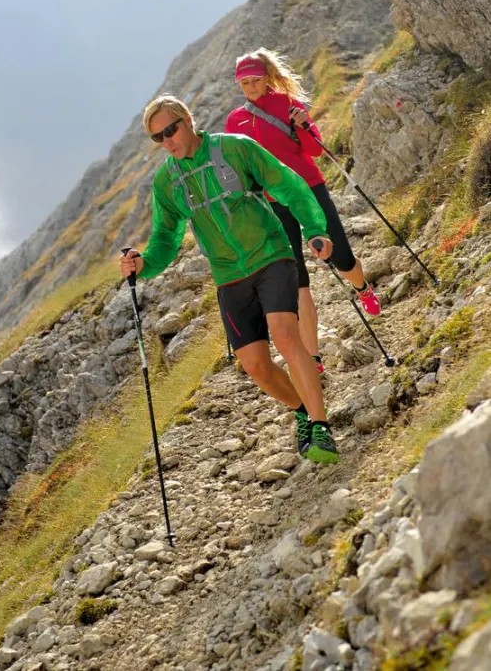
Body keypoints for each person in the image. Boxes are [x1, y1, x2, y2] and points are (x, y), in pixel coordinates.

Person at [119, 93, 340, 464]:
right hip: (228, 275)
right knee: (255, 365)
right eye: (158, 137)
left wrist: (315, 229)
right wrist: (143, 264)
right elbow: (165, 239)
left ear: (188, 120)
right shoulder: (166, 182)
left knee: (286, 335)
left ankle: (321, 428)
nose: (167, 141)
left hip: (271, 254)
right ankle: (303, 410)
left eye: (171, 130)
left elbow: (289, 186)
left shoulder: (236, 148)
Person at [225, 48, 380, 376]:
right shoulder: (235, 121)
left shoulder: (288, 104)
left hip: (308, 189)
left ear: (267, 77)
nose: (251, 87)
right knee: (297, 280)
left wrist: (303, 126)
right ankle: (313, 359)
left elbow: (314, 150)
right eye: (244, 83)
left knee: (340, 256)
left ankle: (362, 288)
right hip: (272, 203)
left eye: (255, 80)